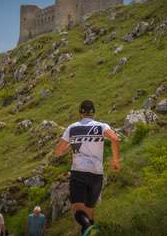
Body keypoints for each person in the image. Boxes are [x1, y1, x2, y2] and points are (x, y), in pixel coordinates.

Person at [54, 100, 121, 235]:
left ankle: (90, 228)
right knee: (89, 213)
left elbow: (57, 152)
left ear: (80, 113)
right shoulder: (101, 126)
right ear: (94, 113)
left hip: (79, 172)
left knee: (77, 210)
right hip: (97, 174)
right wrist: (115, 161)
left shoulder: (72, 128)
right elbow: (115, 139)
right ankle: (90, 230)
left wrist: (70, 146)